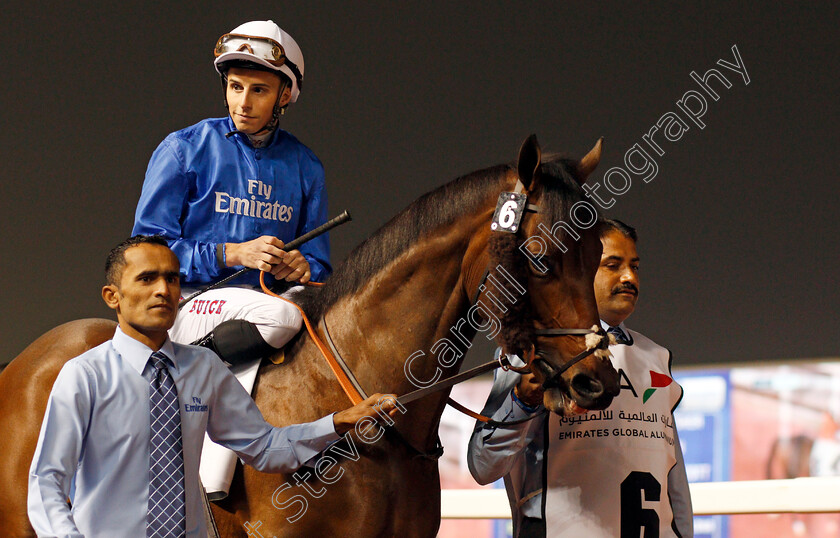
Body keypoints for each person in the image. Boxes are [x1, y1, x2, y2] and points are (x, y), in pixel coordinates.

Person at [27, 236, 397, 537]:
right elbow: (47, 480)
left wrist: (336, 423)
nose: (163, 290)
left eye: (172, 279)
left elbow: (265, 448)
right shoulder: (84, 375)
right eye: (147, 278)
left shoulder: (204, 367)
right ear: (112, 297)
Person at [132, 20, 329, 498]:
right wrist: (232, 253)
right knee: (284, 314)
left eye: (258, 90)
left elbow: (321, 268)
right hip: (190, 303)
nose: (242, 102)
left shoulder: (306, 166)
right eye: (235, 87)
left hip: (256, 311)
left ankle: (216, 478)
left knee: (313, 308)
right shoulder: (183, 149)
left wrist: (302, 267)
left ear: (285, 95)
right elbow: (144, 253)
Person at [467, 219, 693, 537]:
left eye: (635, 266)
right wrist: (523, 400)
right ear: (580, 271)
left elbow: (674, 479)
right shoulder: (532, 352)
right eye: (613, 265)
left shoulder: (656, 356)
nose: (629, 277)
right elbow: (483, 464)